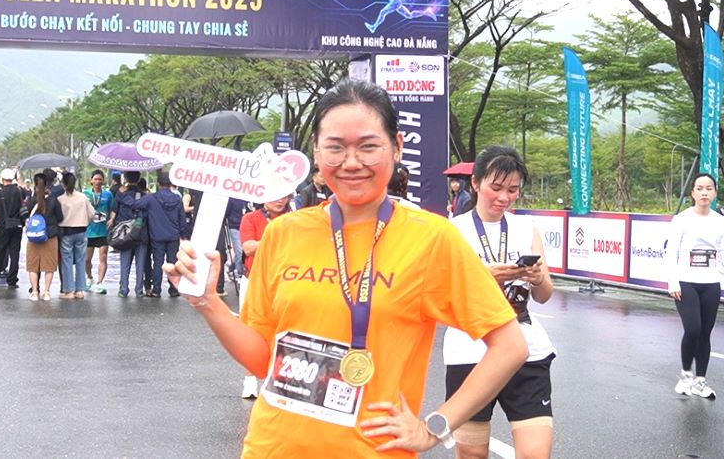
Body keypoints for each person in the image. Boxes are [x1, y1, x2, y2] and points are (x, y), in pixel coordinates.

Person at [164, 80, 527, 456]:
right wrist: (208, 301)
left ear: (397, 147)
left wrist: (434, 426)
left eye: (368, 146)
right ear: (317, 154)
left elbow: (509, 346)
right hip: (273, 448)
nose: (351, 162)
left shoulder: (432, 239)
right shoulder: (284, 233)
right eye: (335, 148)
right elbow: (261, 359)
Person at [443, 145, 556, 459]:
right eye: (496, 187)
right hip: (470, 350)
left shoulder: (526, 227)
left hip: (527, 350)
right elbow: (442, 303)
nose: (504, 197)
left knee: (536, 454)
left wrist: (537, 278)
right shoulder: (451, 232)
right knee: (472, 454)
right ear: (476, 183)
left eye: (513, 190)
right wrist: (484, 278)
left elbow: (545, 295)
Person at [666, 173, 724, 399]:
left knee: (705, 333)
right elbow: (671, 251)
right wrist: (672, 280)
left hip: (711, 283)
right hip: (685, 281)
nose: (704, 192)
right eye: (699, 188)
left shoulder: (719, 220)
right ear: (692, 193)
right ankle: (685, 377)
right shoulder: (681, 219)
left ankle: (700, 381)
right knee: (693, 328)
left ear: (714, 192)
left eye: (708, 188)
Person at [236, 192, 293, 399]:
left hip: (284, 281)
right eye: (275, 195)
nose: (280, 199)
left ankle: (276, 380)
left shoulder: (296, 218)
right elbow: (248, 247)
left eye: (285, 196)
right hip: (253, 280)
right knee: (250, 332)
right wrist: (277, 237)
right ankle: (249, 381)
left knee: (284, 331)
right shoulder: (250, 218)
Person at [136, 173, 186, 298]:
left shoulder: (151, 198)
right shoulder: (177, 199)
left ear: (158, 184)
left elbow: (136, 205)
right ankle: (173, 289)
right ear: (171, 184)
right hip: (173, 236)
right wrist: (182, 233)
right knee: (172, 262)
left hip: (157, 235)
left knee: (158, 262)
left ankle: (156, 289)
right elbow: (182, 219)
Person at [0, 169, 24, 290]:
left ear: (2, 180)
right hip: (17, 226)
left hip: (2, 227)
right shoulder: (18, 192)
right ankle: (12, 280)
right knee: (14, 253)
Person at [109, 171, 148, 298]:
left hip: (124, 233)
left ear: (125, 178)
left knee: (125, 263)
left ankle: (123, 290)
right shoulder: (143, 195)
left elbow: (114, 211)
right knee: (140, 263)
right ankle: (139, 290)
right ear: (138, 179)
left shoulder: (121, 194)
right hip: (140, 232)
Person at [26, 172, 64, 302]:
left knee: (33, 265)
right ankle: (47, 292)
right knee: (49, 266)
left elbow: (25, 216)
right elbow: (60, 217)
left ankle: (35, 292)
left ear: (35, 184)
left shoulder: (31, 200)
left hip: (34, 237)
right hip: (50, 236)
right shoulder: (53, 199)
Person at [57, 172, 95, 299]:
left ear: (64, 184)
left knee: (66, 261)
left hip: (66, 232)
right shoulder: (83, 197)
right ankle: (80, 290)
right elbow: (92, 214)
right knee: (80, 260)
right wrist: (85, 222)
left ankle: (69, 290)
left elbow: (58, 217)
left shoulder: (61, 199)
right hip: (81, 231)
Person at [84, 169, 114, 294]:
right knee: (87, 259)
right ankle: (89, 278)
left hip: (103, 230)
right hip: (89, 231)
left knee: (103, 257)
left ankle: (100, 283)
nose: (97, 181)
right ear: (91, 180)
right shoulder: (85, 194)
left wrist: (112, 219)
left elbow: (112, 209)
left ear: (103, 181)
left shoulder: (108, 194)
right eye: (95, 179)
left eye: (100, 179)